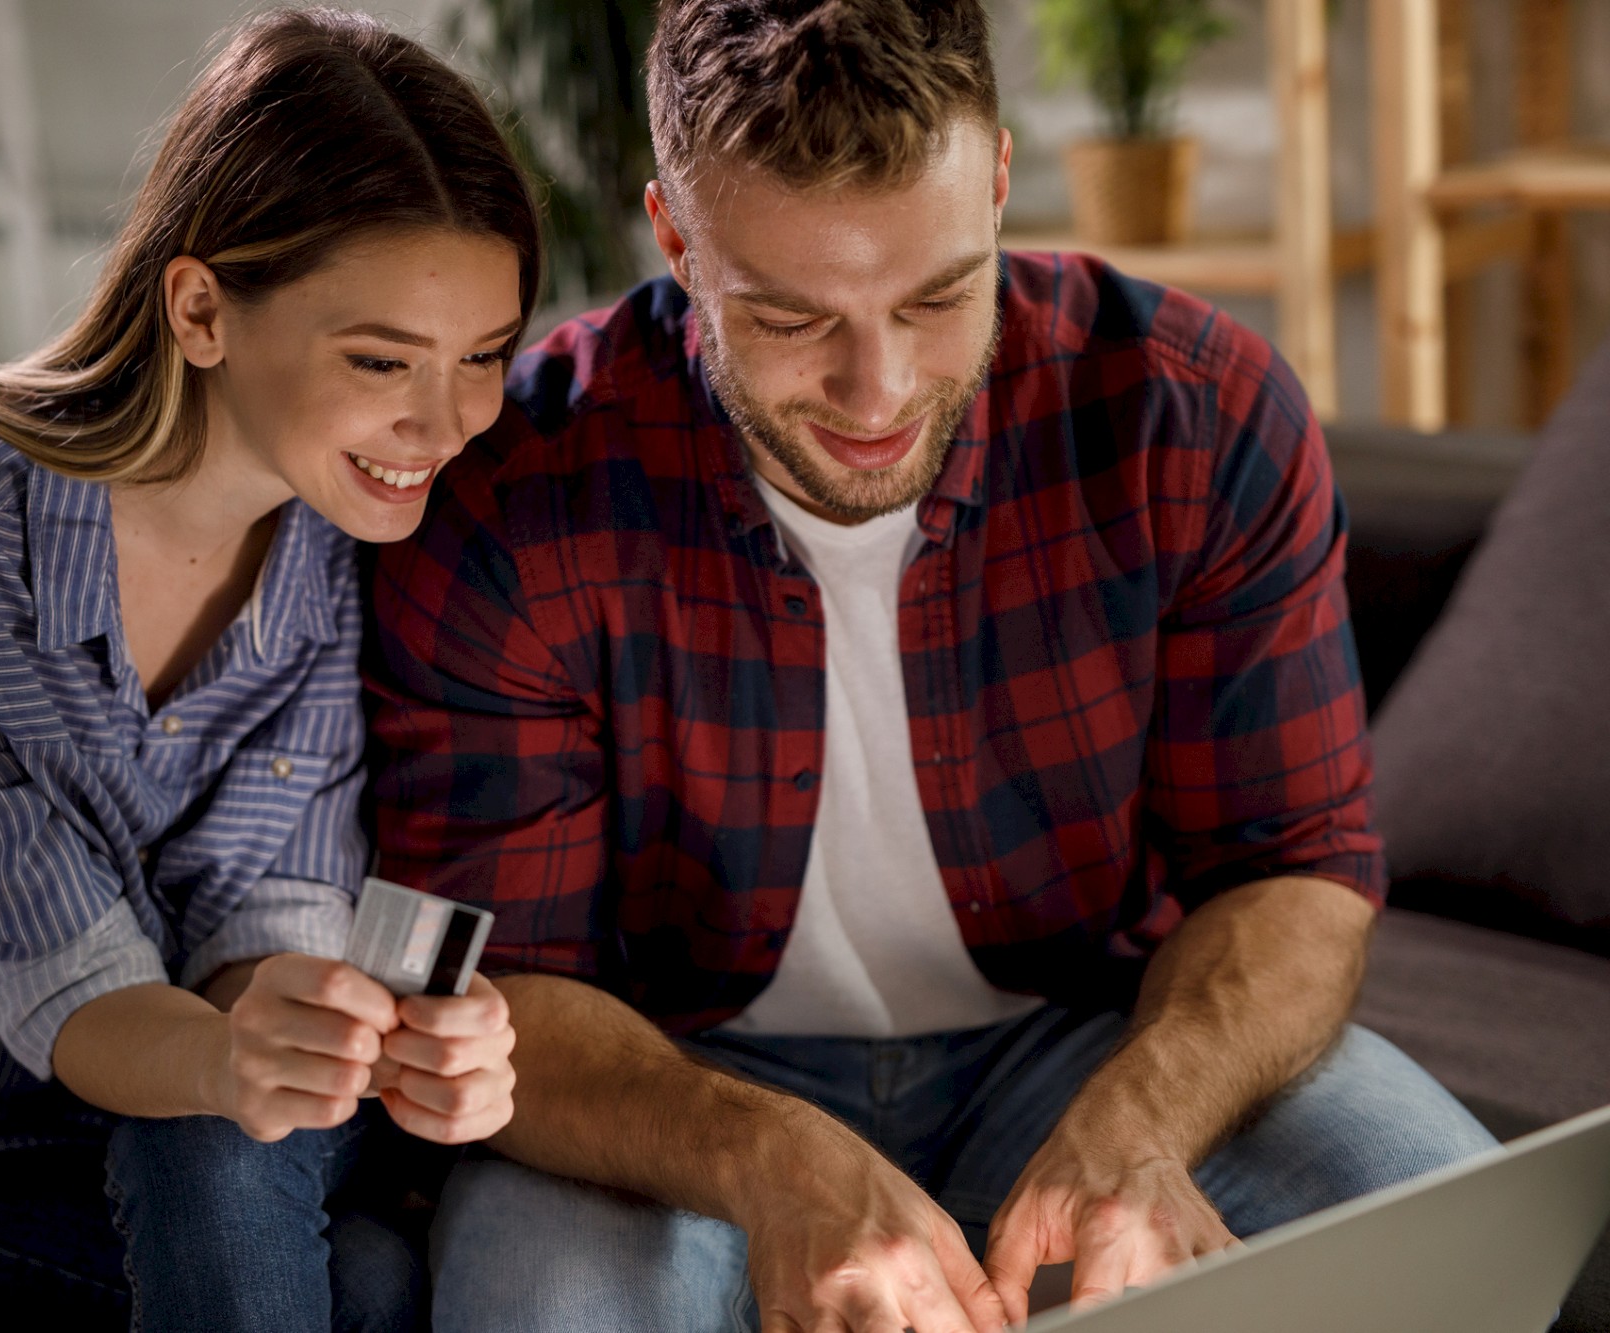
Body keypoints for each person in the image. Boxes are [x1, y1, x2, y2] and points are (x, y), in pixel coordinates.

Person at [364, 2, 1499, 1330]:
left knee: (1457, 1232)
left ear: (1002, 180)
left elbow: (1295, 868)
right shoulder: (517, 497)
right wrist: (773, 1157)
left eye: (937, 295)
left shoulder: (1193, 416)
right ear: (674, 234)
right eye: (790, 317)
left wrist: (1141, 1122)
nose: (877, 388)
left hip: (1087, 1030)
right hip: (673, 1073)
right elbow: (506, 987)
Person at [0, 10, 534, 1331]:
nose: (451, 421)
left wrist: (354, 1034)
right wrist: (238, 1054)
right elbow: (80, 989)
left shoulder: (342, 533)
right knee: (366, 1280)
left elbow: (260, 926)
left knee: (321, 1217)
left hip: (211, 1154)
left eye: (485, 356)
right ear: (200, 308)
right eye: (381, 360)